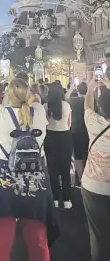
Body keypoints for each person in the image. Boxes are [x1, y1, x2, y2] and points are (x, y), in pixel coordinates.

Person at [0, 70, 58, 261]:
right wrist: (21, 84)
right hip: (35, 181)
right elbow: (34, 99)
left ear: (8, 96)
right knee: (37, 238)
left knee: (1, 238)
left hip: (4, 180)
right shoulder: (39, 113)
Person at [81, 78, 110, 261]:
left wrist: (91, 89)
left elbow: (87, 106)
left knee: (98, 235)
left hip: (94, 185)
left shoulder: (94, 122)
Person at [44, 83, 73, 208]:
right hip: (65, 137)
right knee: (65, 168)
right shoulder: (66, 105)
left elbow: (45, 123)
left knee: (52, 169)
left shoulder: (45, 106)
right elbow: (69, 123)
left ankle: (55, 199)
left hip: (50, 137)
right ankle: (66, 200)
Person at [67, 81, 89, 184]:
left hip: (75, 131)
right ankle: (86, 175)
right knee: (86, 154)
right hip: (88, 131)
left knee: (78, 156)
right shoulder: (90, 102)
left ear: (78, 90)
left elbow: (63, 99)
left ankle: (80, 178)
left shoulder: (72, 101)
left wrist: (71, 89)